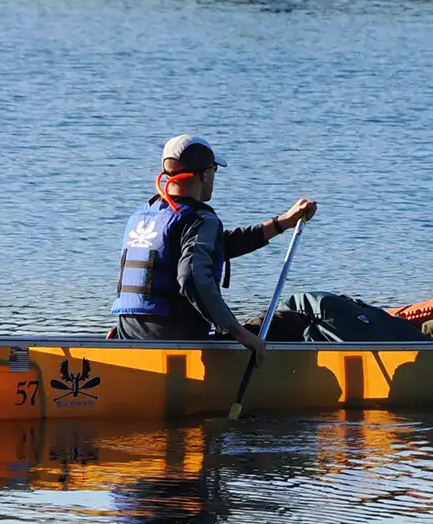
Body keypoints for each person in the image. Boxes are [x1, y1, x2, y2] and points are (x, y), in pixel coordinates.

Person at [111, 135, 317, 361]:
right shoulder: (201, 220)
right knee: (289, 324)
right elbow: (191, 277)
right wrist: (239, 332)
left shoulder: (143, 215)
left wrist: (282, 223)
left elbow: (217, 246)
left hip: (128, 337)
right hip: (176, 345)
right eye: (214, 171)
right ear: (206, 174)